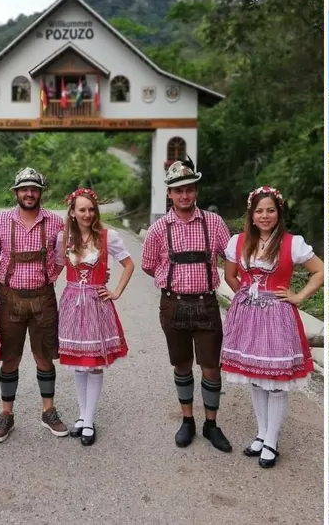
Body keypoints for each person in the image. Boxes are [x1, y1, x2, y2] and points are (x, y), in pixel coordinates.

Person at [221, 186, 323, 468]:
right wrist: (247, 298)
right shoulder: (238, 242)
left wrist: (298, 297)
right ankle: (261, 433)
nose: (264, 216)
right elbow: (231, 276)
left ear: (278, 213)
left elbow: (320, 271)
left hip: (278, 317)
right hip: (247, 317)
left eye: (270, 210)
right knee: (256, 377)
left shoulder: (292, 243)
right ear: (251, 215)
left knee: (276, 381)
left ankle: (272, 440)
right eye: (259, 211)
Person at [141, 157, 233, 453]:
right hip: (173, 304)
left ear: (196, 191)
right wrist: (171, 279)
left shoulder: (214, 223)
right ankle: (187, 420)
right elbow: (147, 265)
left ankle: (211, 424)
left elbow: (231, 256)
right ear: (169, 193)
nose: (184, 195)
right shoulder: (158, 228)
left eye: (189, 189)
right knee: (181, 364)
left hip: (207, 304)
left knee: (211, 367)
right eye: (178, 190)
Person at [0, 167, 67, 442]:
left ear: (41, 192)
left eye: (34, 189)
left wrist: (48, 278)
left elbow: (61, 258)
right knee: (10, 358)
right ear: (16, 193)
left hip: (43, 298)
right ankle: (6, 414)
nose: (29, 193)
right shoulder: (1, 221)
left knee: (43, 356)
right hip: (9, 298)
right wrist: (7, 277)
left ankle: (48, 411)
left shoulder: (56, 222)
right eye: (24, 189)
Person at [55, 187, 134, 445]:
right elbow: (55, 268)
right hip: (71, 302)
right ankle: (82, 415)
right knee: (79, 361)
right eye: (82, 209)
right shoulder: (64, 238)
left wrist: (116, 291)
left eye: (91, 209)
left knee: (95, 362)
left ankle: (88, 420)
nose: (87, 214)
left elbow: (129, 264)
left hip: (97, 303)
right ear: (72, 212)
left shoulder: (107, 236)